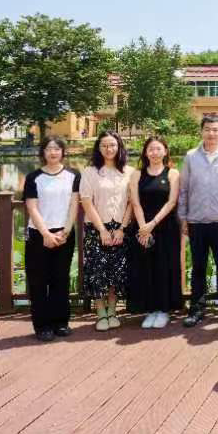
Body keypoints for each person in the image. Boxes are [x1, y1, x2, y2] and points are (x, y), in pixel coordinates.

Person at [179, 115, 218, 328]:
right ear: (201, 131)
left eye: (215, 129)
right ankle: (197, 309)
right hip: (196, 221)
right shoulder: (191, 157)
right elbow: (183, 189)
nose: (211, 133)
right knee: (198, 267)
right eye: (207, 129)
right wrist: (183, 217)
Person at [23, 136, 80, 341]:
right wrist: (45, 234)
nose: (53, 152)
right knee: (38, 281)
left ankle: (61, 322)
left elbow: (74, 204)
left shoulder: (73, 175)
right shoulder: (33, 177)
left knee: (60, 279)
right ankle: (42, 326)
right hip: (39, 234)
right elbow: (32, 208)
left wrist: (66, 231)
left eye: (57, 148)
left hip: (64, 233)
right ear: (43, 152)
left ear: (63, 152)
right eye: (48, 149)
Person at [80, 131, 134, 332]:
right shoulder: (90, 172)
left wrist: (122, 229)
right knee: (97, 272)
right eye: (104, 145)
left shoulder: (129, 172)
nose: (109, 149)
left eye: (112, 145)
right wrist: (102, 229)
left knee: (116, 271)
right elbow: (86, 202)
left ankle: (112, 311)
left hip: (120, 229)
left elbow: (132, 203)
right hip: (96, 228)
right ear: (98, 148)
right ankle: (101, 312)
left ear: (119, 147)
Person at [128, 136, 182, 329]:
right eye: (151, 149)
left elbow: (172, 202)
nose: (154, 152)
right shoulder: (137, 174)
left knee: (164, 268)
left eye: (158, 149)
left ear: (165, 151)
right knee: (146, 268)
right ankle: (150, 310)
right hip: (142, 229)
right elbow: (135, 203)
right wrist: (143, 228)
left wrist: (152, 224)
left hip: (165, 227)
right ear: (145, 152)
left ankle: (164, 310)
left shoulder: (173, 173)